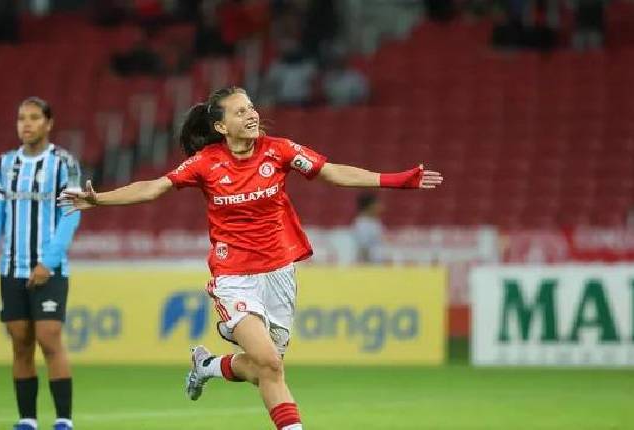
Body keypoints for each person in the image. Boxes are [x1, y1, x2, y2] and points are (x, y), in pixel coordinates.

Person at [60, 86, 443, 430]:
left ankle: (208, 366)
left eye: (251, 107)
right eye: (240, 111)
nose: (251, 114)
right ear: (222, 127)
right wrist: (100, 199)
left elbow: (334, 172)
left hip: (279, 273)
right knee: (271, 364)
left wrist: (397, 180)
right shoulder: (205, 163)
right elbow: (154, 188)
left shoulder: (279, 151)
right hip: (234, 277)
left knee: (265, 367)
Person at [0, 97, 81, 430]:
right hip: (12, 268)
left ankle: (64, 419)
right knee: (20, 342)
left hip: (50, 270)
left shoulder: (64, 163)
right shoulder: (4, 164)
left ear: (48, 123)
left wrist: (48, 261)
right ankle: (27, 419)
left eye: (34, 118)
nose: (26, 123)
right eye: (21, 117)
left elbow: (70, 214)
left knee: (49, 338)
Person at [352, 192, 385, 264]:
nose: (381, 207)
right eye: (377, 204)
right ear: (370, 206)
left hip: (378, 265)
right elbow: (363, 248)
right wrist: (367, 268)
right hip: (370, 266)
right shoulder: (362, 225)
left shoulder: (375, 222)